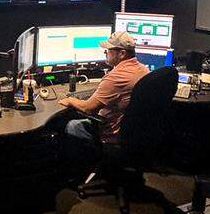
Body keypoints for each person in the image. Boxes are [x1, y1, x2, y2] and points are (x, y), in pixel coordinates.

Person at [59, 31, 149, 169]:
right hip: (136, 133)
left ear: (122, 54)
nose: (105, 53)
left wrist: (71, 100)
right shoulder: (143, 70)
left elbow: (88, 108)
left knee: (71, 125)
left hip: (112, 134)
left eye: (108, 50)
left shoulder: (115, 77)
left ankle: (76, 171)